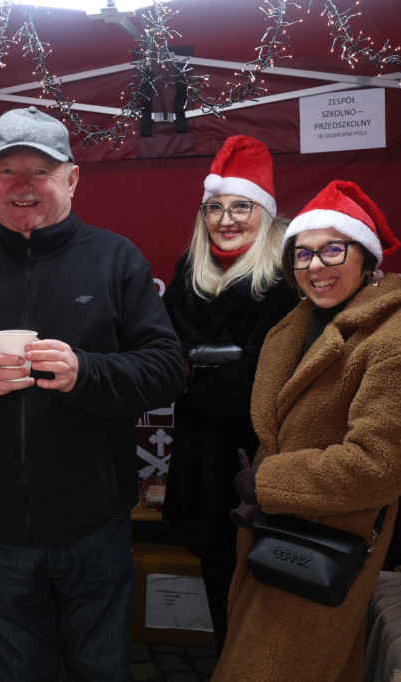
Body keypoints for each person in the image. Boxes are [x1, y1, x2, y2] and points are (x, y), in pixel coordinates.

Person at [0, 106, 185, 682]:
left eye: (41, 172)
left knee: (100, 669)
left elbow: (167, 369)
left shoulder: (115, 259)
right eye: (8, 172)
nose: (22, 186)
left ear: (72, 178)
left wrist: (87, 372)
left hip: (94, 524)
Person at [213, 180, 401, 681]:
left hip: (327, 547)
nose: (315, 266)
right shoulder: (297, 324)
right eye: (302, 254)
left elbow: (377, 466)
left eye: (332, 250)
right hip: (281, 537)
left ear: (366, 258)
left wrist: (268, 482)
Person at [161, 134, 296, 653]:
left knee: (266, 593)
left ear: (264, 212)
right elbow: (161, 355)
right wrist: (214, 360)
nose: (226, 219)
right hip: (198, 460)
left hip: (255, 462)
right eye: (214, 208)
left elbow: (257, 380)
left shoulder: (284, 280)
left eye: (241, 206)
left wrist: (193, 367)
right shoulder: (189, 272)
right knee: (217, 579)